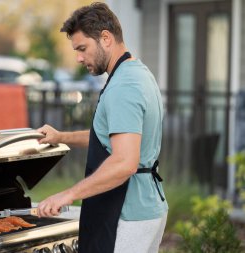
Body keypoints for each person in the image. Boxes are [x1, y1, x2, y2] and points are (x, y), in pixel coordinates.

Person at [36, 2, 168, 253]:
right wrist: (61, 136)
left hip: (127, 213)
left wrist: (67, 194)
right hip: (146, 206)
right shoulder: (137, 73)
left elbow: (124, 162)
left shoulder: (123, 87)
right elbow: (113, 137)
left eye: (82, 48)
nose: (78, 58)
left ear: (106, 38)